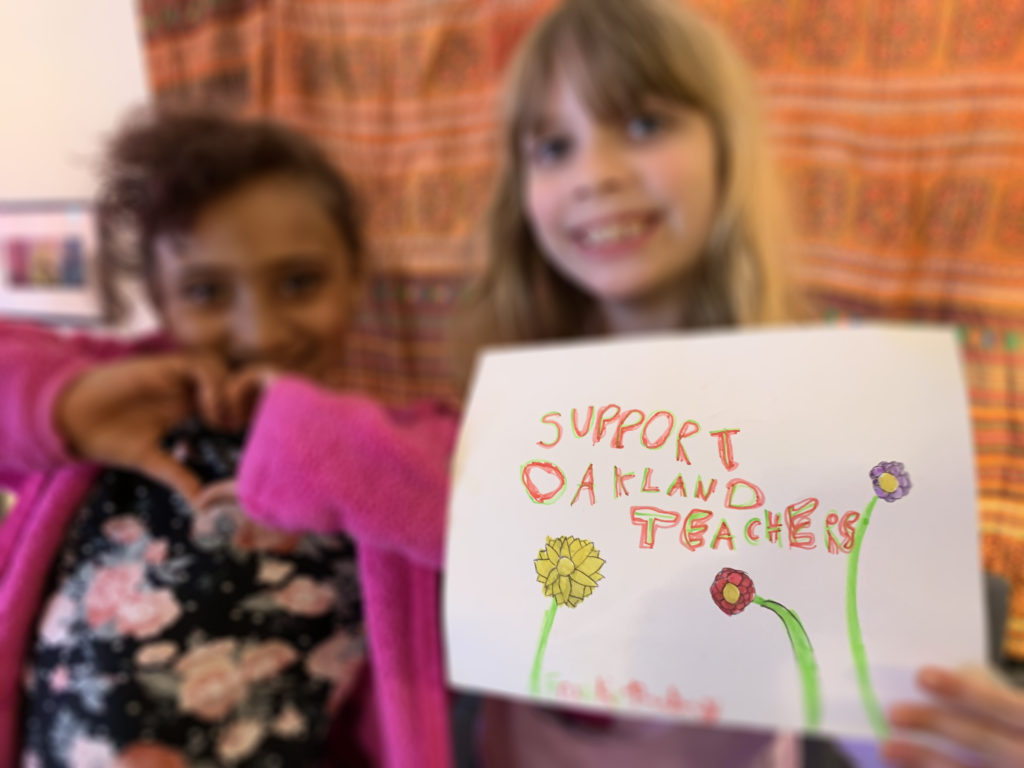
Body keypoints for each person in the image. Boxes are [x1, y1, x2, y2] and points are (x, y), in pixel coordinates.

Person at [453, 1, 1024, 766]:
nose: (596, 175)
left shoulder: (830, 418)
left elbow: (884, 706)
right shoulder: (491, 417)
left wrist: (968, 739)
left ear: (726, 148)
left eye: (646, 126)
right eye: (553, 147)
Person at [0, 109, 453, 767]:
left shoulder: (391, 446)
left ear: (356, 278)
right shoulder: (113, 402)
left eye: (299, 283)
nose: (259, 333)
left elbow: (465, 518)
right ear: (159, 295)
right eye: (206, 291)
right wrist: (61, 408)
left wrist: (296, 421)